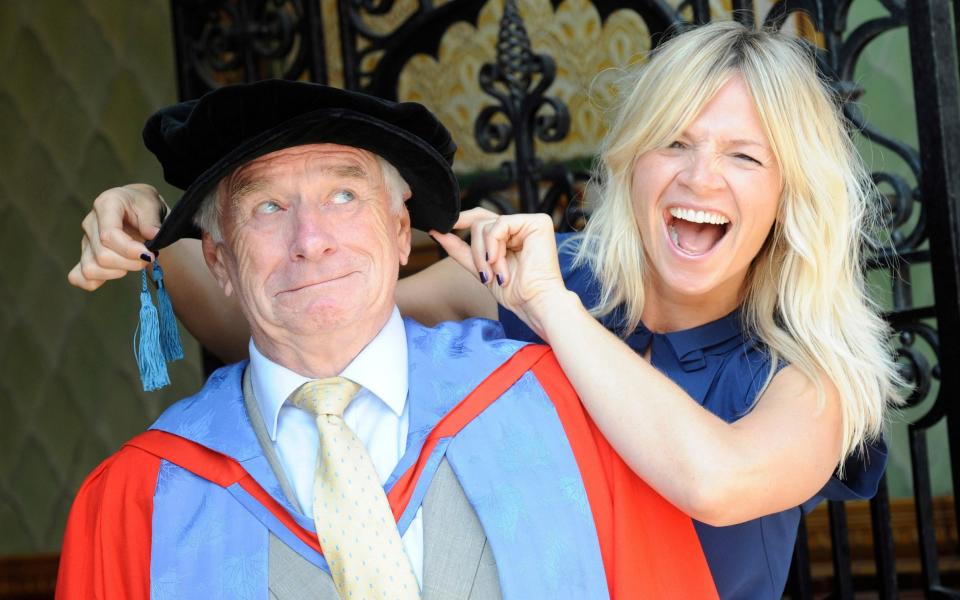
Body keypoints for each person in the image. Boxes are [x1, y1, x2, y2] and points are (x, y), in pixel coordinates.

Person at [67, 22, 901, 598]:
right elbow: (307, 326)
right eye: (674, 142)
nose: (699, 179)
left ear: (792, 195)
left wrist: (550, 307)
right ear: (634, 160)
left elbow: (711, 483)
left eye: (744, 157)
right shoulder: (555, 280)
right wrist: (164, 223)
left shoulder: (814, 375)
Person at [57, 80, 717, 599]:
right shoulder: (135, 502)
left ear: (403, 234)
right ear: (221, 262)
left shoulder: (563, 409)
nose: (311, 240)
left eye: (344, 195)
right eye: (267, 208)